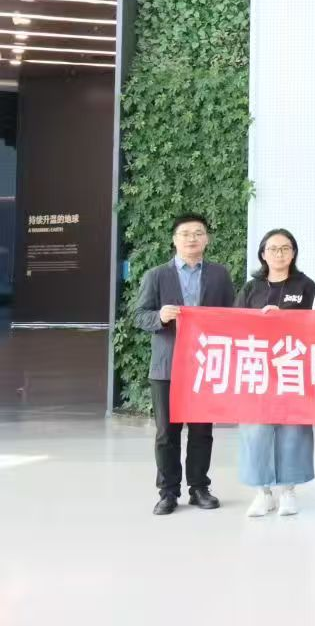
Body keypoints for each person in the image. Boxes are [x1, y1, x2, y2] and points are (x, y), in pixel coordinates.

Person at [132, 213, 235, 515]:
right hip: (167, 367)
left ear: (207, 239)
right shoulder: (156, 275)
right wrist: (160, 317)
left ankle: (199, 488)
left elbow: (232, 315)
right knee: (167, 433)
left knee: (202, 431)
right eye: (185, 233)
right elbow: (139, 316)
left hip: (205, 365)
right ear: (174, 239)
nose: (192, 238)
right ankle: (168, 492)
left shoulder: (219, 275)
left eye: (198, 233)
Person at [235, 228, 315, 518]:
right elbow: (235, 324)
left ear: (293, 253)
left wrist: (284, 319)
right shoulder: (251, 288)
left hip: (293, 368)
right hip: (258, 369)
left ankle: (288, 491)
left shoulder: (306, 286)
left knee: (292, 429)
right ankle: (263, 493)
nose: (279, 254)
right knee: (256, 430)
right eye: (273, 249)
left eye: (285, 248)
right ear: (263, 254)